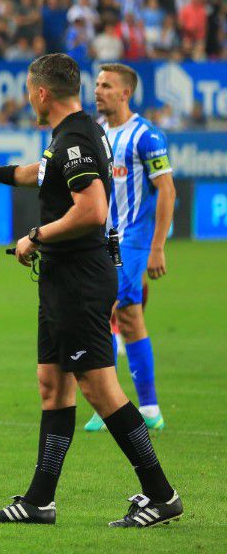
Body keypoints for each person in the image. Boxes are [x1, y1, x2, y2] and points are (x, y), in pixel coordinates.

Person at [0, 53, 182, 528]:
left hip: (79, 278)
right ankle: (39, 501)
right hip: (62, 277)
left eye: (28, 92)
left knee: (100, 387)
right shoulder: (73, 133)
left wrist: (35, 236)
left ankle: (161, 495)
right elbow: (39, 172)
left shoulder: (74, 137)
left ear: (40, 93)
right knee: (52, 385)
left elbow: (93, 209)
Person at [83, 63, 174, 433]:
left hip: (132, 239)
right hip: (100, 239)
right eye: (97, 84)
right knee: (129, 317)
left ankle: (110, 405)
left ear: (125, 93)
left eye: (106, 86)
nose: (98, 91)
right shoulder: (96, 133)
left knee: (105, 310)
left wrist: (157, 248)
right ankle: (145, 407)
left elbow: (167, 189)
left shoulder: (146, 136)